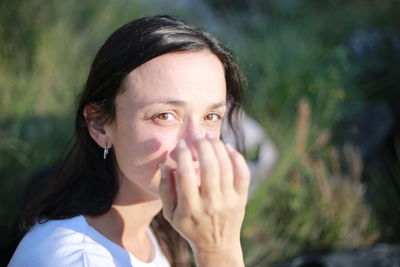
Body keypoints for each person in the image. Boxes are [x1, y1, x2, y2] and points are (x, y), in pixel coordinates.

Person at [9, 15, 250, 267]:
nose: (196, 143)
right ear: (99, 125)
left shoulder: (155, 229)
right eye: (164, 116)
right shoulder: (74, 260)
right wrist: (217, 250)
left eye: (211, 116)